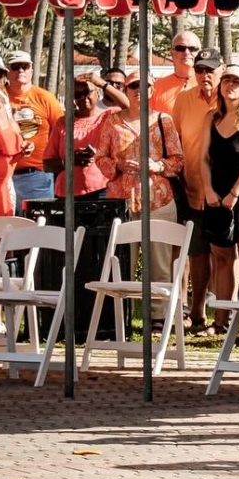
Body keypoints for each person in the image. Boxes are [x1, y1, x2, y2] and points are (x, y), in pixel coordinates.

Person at [95, 70, 185, 327]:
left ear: (152, 90)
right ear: (125, 90)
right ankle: (120, 317)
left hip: (159, 199)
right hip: (122, 200)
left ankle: (159, 317)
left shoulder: (163, 121)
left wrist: (155, 166)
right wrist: (119, 165)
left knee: (160, 262)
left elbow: (178, 161)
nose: (138, 90)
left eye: (144, 86)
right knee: (121, 261)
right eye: (133, 85)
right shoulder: (112, 122)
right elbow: (100, 158)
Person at [201, 65, 239, 337]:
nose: (230, 85)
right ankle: (221, 320)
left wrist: (235, 192)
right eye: (226, 80)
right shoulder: (211, 118)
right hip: (215, 194)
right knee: (221, 257)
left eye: (236, 81)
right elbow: (203, 158)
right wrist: (209, 190)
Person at [172, 48, 222, 332]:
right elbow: (176, 142)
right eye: (200, 70)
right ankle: (198, 312)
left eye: (210, 70)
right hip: (193, 188)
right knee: (197, 253)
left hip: (225, 191)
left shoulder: (232, 98)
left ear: (221, 69)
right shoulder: (184, 99)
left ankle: (225, 315)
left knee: (226, 255)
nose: (205, 75)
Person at [6, 51, 63, 212]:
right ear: (7, 71)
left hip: (37, 176)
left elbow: (61, 132)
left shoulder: (45, 98)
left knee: (38, 228)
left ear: (31, 70)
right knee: (5, 228)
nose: (21, 71)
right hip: (3, 176)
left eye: (25, 66)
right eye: (15, 67)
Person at [43, 77, 113, 199]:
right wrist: (69, 161)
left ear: (97, 93)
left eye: (87, 92)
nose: (83, 98)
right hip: (67, 193)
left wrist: (102, 84)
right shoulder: (63, 123)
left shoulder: (108, 118)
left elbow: (129, 106)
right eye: (77, 94)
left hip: (101, 190)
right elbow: (47, 164)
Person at [0, 55, 24, 216]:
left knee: (3, 234)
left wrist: (24, 147)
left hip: (5, 186)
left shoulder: (3, 101)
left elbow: (16, 141)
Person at [150, 31, 201, 115]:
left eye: (193, 48)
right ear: (172, 53)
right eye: (180, 48)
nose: (186, 52)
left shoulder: (210, 85)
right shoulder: (156, 87)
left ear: (200, 53)